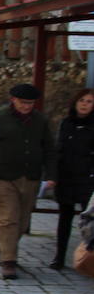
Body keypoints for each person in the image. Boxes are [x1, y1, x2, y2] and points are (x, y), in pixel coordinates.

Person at [0, 83, 56, 280]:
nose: (27, 106)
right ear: (13, 100)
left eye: (31, 103)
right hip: (2, 176)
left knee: (22, 220)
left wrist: (51, 175)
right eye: (23, 102)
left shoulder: (40, 121)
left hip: (30, 177)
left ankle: (5, 247)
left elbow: (49, 149)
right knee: (8, 218)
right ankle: (9, 261)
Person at [52, 88, 94, 270]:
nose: (85, 104)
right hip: (66, 177)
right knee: (64, 219)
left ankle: (88, 256)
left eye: (89, 101)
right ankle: (59, 256)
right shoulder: (66, 123)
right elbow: (58, 150)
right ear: (75, 102)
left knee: (89, 221)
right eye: (82, 100)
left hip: (87, 179)